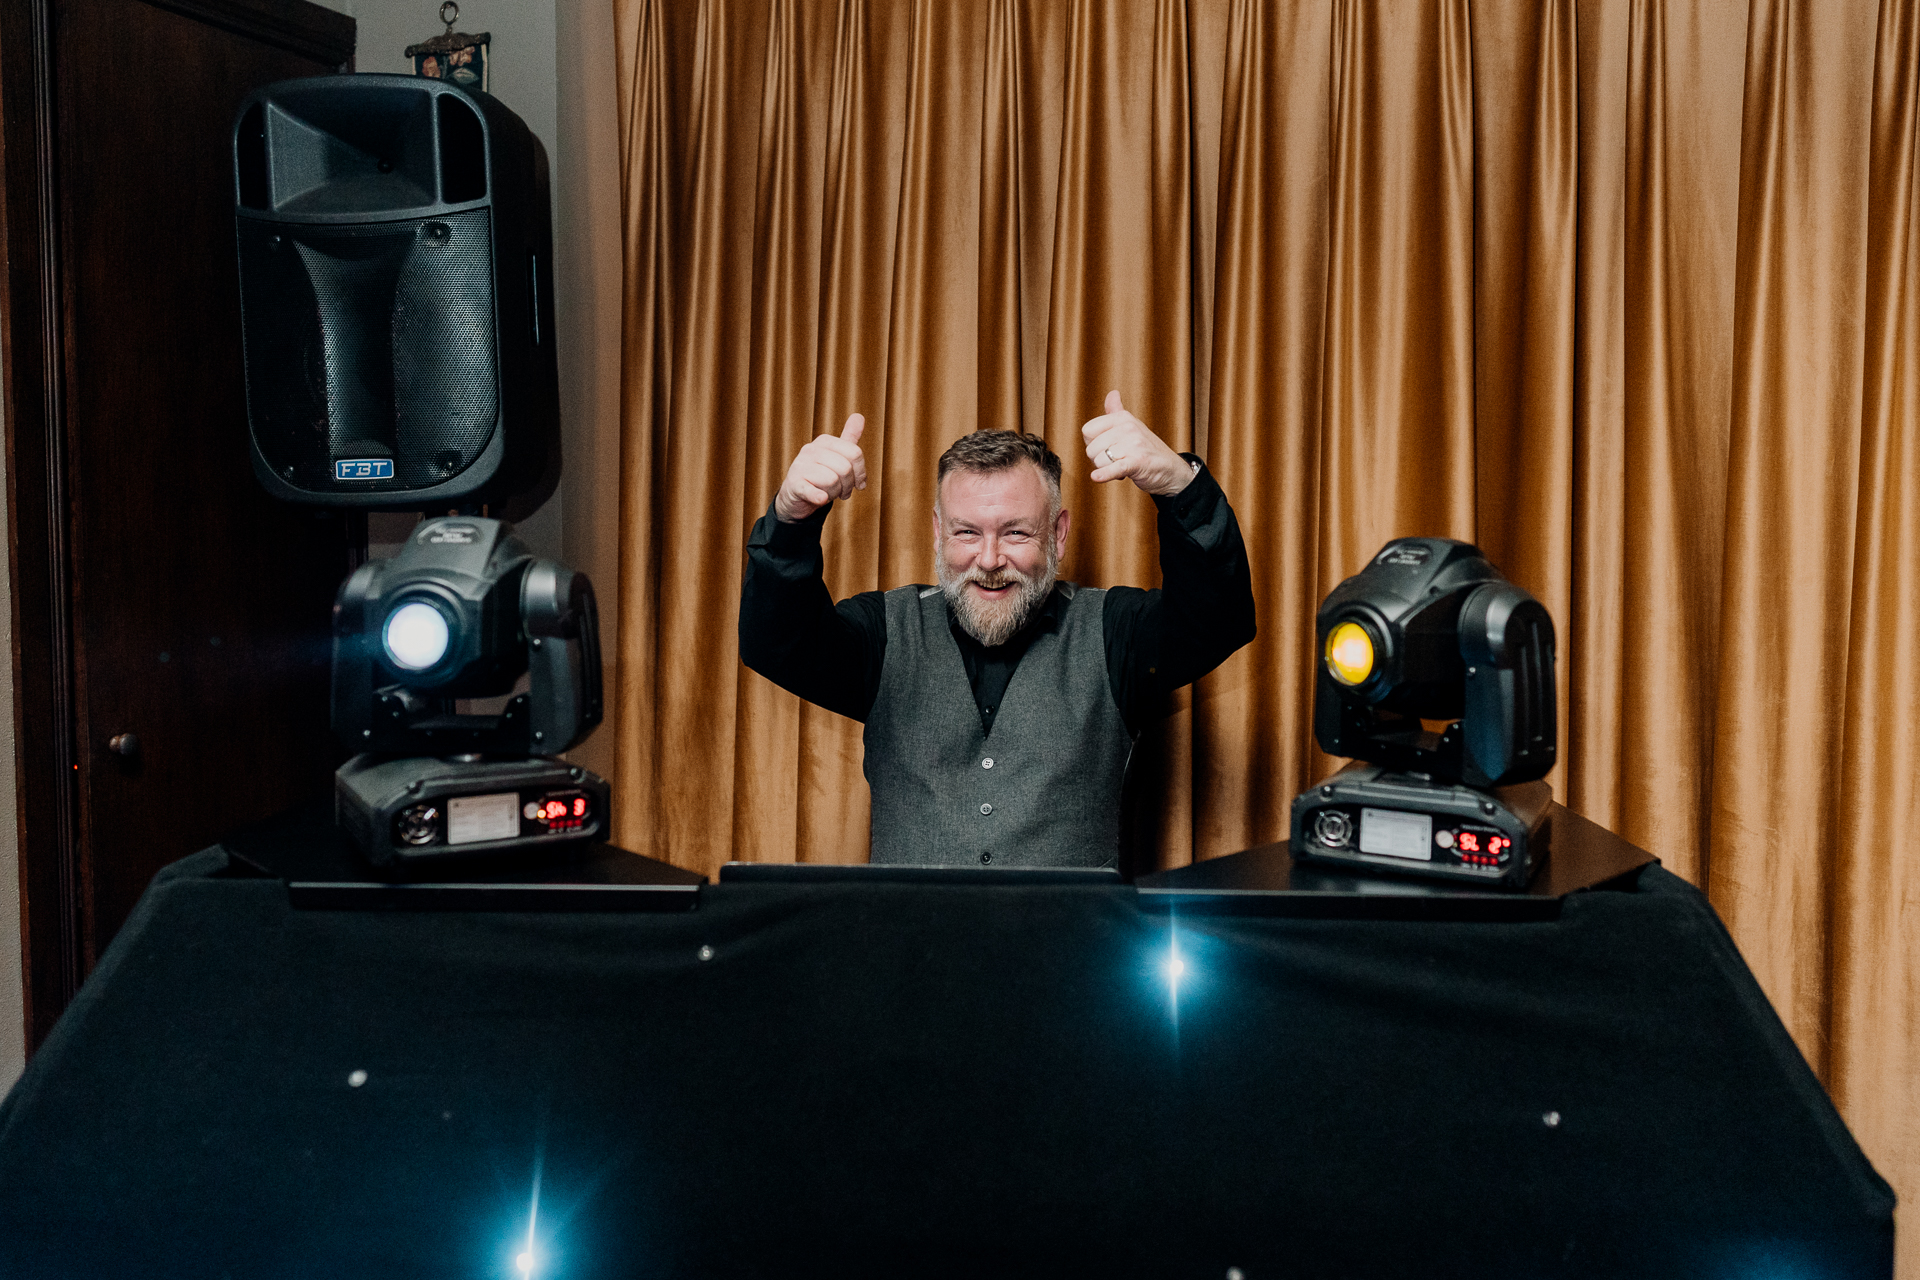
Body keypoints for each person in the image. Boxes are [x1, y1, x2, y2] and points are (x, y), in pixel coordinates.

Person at [739, 391, 1256, 868]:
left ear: (1058, 533)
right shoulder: (885, 633)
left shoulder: (1112, 632)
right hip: (908, 962)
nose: (989, 560)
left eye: (1015, 532)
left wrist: (1179, 487)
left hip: (1069, 961)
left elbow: (1217, 619)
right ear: (939, 532)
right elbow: (777, 640)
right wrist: (793, 518)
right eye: (967, 532)